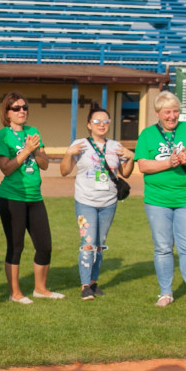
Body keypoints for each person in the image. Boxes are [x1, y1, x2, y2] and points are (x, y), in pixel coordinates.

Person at [135, 90, 186, 312]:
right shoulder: (147, 134)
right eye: (167, 112)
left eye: (175, 111)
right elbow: (143, 166)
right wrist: (170, 162)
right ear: (158, 113)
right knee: (163, 248)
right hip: (157, 201)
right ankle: (165, 293)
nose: (172, 116)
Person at [60, 107, 134, 301]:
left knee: (100, 244)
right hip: (86, 201)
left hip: (109, 202)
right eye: (97, 121)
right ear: (89, 125)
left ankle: (94, 282)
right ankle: (85, 286)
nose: (102, 125)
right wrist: (69, 153)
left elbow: (125, 173)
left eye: (106, 121)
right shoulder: (80, 144)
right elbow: (64, 171)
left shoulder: (116, 147)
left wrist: (130, 157)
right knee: (88, 243)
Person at [0, 92, 61, 304]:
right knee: (16, 246)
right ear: (7, 113)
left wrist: (37, 151)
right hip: (11, 197)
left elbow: (45, 164)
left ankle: (40, 289)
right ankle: (15, 293)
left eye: (24, 107)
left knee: (45, 245)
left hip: (35, 197)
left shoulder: (33, 132)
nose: (22, 111)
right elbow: (6, 169)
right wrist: (26, 151)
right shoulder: (2, 136)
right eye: (16, 108)